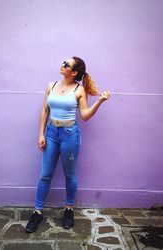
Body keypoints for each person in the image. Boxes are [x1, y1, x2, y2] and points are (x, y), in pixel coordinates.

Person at [26, 56, 111, 233]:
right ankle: (37, 211)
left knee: (69, 174)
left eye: (66, 64)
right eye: (63, 62)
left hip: (69, 135)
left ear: (73, 72)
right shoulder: (52, 85)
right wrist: (41, 133)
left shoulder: (79, 90)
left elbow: (85, 116)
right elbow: (44, 110)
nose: (62, 65)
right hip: (51, 133)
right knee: (45, 174)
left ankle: (69, 209)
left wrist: (100, 101)